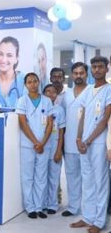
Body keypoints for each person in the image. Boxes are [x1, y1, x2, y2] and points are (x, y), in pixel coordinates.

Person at [71, 56, 111, 233]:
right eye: (94, 67)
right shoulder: (87, 90)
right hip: (84, 143)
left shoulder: (109, 90)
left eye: (100, 67)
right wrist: (79, 139)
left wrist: (87, 140)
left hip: (99, 142)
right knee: (87, 180)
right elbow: (83, 116)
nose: (97, 70)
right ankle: (88, 217)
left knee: (100, 181)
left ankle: (99, 221)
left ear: (106, 69)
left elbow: (104, 120)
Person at [15, 72, 53, 219]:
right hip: (28, 145)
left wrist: (42, 142)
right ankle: (30, 207)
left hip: (44, 144)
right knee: (28, 176)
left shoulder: (47, 101)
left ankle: (39, 207)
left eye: (35, 81)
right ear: (25, 85)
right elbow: (23, 124)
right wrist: (36, 142)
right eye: (29, 82)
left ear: (39, 83)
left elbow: (50, 123)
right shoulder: (22, 101)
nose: (32, 84)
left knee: (41, 176)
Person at [61, 62, 89, 217]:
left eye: (82, 73)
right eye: (76, 73)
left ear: (86, 74)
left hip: (88, 142)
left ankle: (88, 209)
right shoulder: (67, 94)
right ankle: (73, 207)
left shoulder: (92, 91)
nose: (79, 76)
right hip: (70, 142)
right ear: (72, 75)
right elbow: (62, 120)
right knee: (72, 176)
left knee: (89, 177)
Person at [43, 84, 65, 215]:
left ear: (57, 95)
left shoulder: (59, 110)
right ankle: (43, 203)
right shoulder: (40, 108)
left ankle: (52, 204)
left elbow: (61, 132)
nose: (50, 94)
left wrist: (59, 150)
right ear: (43, 93)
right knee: (42, 177)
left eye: (53, 92)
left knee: (54, 177)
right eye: (47, 91)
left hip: (55, 147)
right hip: (42, 148)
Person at [0, 36, 25, 109]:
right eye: (0, 54)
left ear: (16, 59)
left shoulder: (25, 81)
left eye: (9, 55)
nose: (3, 59)